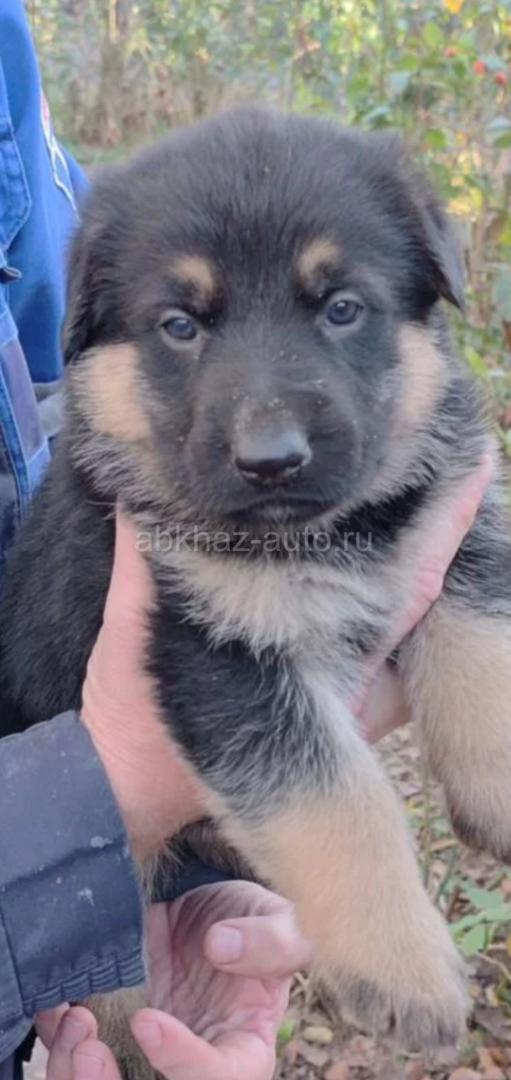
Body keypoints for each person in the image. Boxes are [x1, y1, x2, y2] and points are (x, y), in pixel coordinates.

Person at [0, 4, 493, 1080]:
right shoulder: (153, 511)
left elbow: (468, 562)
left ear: (427, 304)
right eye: (182, 326)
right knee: (113, 1024)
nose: (268, 432)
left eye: (340, 310)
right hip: (39, 782)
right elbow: (233, 690)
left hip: (130, 869)